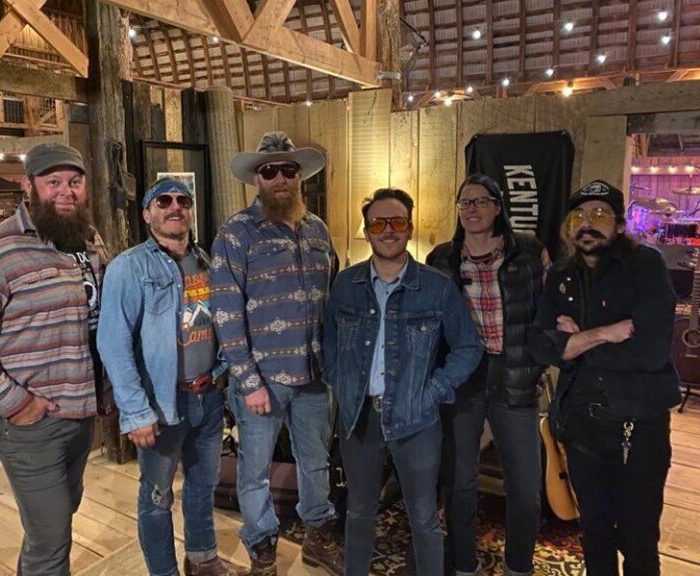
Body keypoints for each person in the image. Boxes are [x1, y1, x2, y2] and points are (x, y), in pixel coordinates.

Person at [0, 143, 110, 576]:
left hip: (81, 413)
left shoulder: (86, 239)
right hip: (29, 423)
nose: (65, 191)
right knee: (51, 541)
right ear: (28, 186)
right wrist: (17, 403)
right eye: (53, 182)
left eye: (74, 181)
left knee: (57, 520)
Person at [324, 188, 483, 576]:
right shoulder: (345, 285)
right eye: (378, 223)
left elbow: (468, 347)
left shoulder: (437, 287)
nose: (388, 230)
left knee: (423, 517)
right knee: (359, 512)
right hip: (360, 419)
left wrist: (432, 392)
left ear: (410, 228)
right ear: (367, 230)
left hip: (416, 419)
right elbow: (328, 343)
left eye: (396, 222)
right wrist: (342, 386)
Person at [530, 180, 681, 576]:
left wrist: (575, 340)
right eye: (578, 215)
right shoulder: (562, 273)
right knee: (594, 534)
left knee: (638, 538)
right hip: (582, 424)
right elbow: (542, 346)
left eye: (599, 214)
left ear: (618, 224)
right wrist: (604, 333)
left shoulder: (645, 266)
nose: (588, 223)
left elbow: (648, 352)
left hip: (638, 426)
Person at [211, 131, 342, 576]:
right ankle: (262, 547)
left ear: (300, 177)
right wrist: (249, 383)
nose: (281, 178)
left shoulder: (319, 230)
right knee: (255, 473)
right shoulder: (235, 233)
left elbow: (332, 299)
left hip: (314, 376)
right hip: (262, 382)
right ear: (257, 179)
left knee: (316, 462)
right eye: (271, 171)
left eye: (290, 170)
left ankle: (318, 536)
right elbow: (225, 313)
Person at [98, 177, 235, 576]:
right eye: (163, 201)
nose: (175, 207)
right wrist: (135, 411)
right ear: (147, 213)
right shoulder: (128, 267)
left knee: (202, 485)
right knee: (157, 497)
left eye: (183, 200)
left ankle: (203, 557)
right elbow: (113, 342)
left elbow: (217, 323)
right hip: (161, 405)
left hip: (207, 397)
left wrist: (223, 373)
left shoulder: (207, 261)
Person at [426, 174, 549, 576]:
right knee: (460, 481)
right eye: (465, 203)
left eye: (481, 201)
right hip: (465, 378)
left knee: (526, 488)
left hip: (515, 375)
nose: (472, 209)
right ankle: (464, 564)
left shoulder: (529, 251)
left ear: (498, 207)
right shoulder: (442, 258)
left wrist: (543, 357)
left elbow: (550, 306)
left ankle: (518, 566)